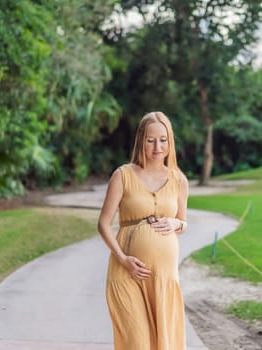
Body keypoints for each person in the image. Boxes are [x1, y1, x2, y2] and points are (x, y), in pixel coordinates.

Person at [97, 111, 189, 350]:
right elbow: (104, 224)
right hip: (127, 272)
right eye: (151, 140)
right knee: (138, 343)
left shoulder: (179, 180)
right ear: (141, 141)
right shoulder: (123, 175)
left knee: (163, 344)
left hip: (164, 277)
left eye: (163, 139)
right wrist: (123, 258)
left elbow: (183, 222)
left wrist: (175, 223)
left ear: (170, 142)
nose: (157, 146)